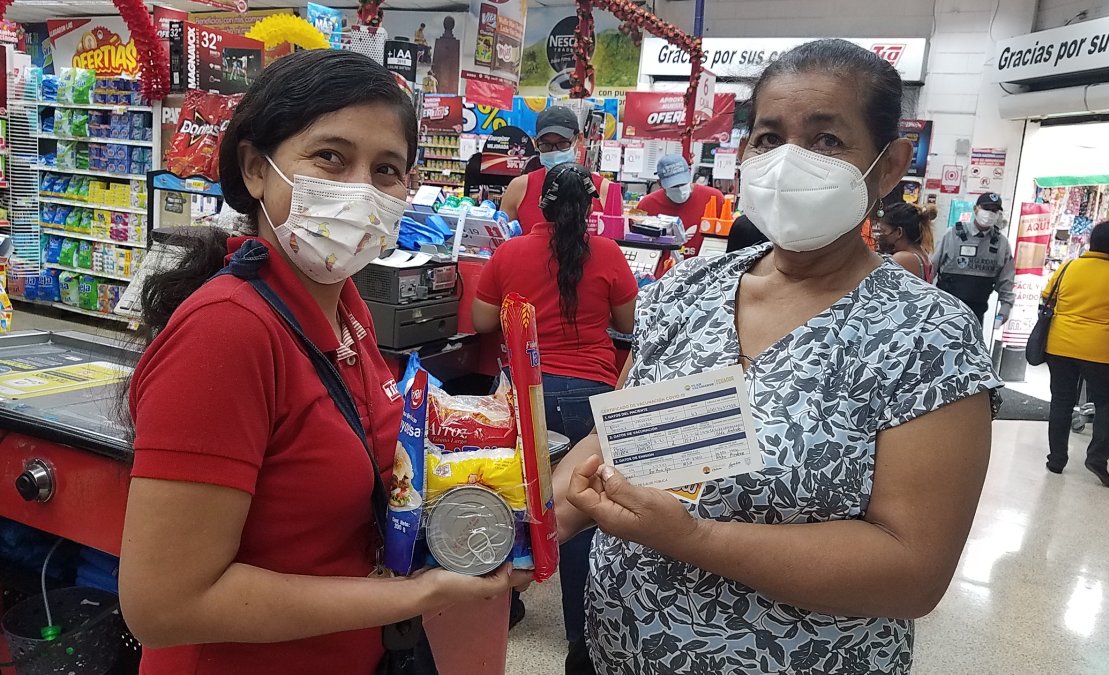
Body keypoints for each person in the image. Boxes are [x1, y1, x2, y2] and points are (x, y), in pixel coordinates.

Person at [552, 39, 1000, 674]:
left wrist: (694, 539)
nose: (788, 161)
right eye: (768, 138)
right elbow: (622, 444)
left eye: (825, 140)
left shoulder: (926, 335)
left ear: (890, 163)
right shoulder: (691, 290)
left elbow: (912, 570)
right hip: (615, 650)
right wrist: (527, 527)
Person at [118, 50, 528, 675]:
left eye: (386, 170)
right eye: (330, 157)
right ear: (257, 168)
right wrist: (413, 594)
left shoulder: (349, 314)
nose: (361, 188)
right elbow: (163, 604)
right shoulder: (228, 332)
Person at [473, 162, 637, 675]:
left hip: (527, 396)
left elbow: (481, 321)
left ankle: (506, 604)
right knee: (584, 517)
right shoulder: (607, 253)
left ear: (537, 207)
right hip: (592, 392)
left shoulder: (509, 251)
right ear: (590, 208)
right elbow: (628, 326)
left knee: (514, 501)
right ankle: (581, 644)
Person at [1043, 220, 1109, 490]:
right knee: (1106, 403)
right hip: (1100, 350)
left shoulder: (1069, 267)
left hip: (1060, 344)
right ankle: (1097, 458)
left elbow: (1048, 299)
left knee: (1061, 402)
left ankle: (1056, 460)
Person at [500, 106, 611, 227]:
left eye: (563, 143)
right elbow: (502, 238)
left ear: (579, 139)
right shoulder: (519, 188)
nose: (554, 151)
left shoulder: (605, 190)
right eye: (546, 145)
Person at [933, 192, 1015, 325]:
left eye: (994, 210)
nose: (989, 213)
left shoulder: (1001, 243)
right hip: (944, 311)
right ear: (975, 208)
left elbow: (1007, 280)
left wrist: (1004, 310)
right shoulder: (953, 234)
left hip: (975, 314)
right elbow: (932, 267)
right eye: (986, 208)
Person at [637, 154, 725, 257]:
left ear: (689, 174)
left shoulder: (714, 199)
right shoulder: (646, 205)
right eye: (673, 186)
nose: (679, 189)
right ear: (660, 183)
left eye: (682, 183)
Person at [878, 202, 937, 282]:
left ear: (899, 232)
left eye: (883, 231)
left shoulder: (903, 258)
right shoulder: (923, 256)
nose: (880, 235)